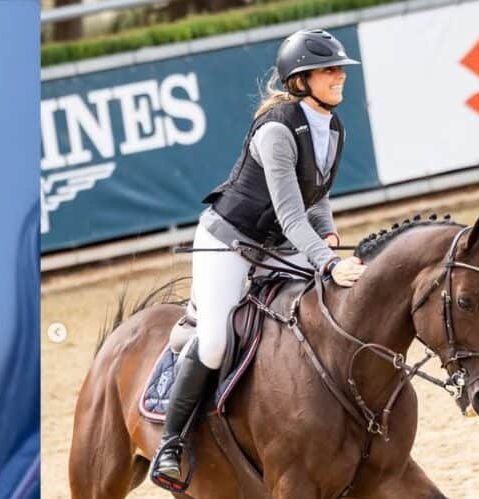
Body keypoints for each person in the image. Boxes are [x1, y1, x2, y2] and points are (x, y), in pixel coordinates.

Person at [150, 28, 368, 486]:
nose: (338, 77)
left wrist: (327, 233)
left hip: (275, 244)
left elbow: (316, 194)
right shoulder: (276, 130)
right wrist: (328, 262)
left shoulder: (333, 126)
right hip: (227, 242)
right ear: (299, 81)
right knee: (214, 343)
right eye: (327, 70)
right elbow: (291, 216)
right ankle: (171, 442)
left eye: (338, 69)